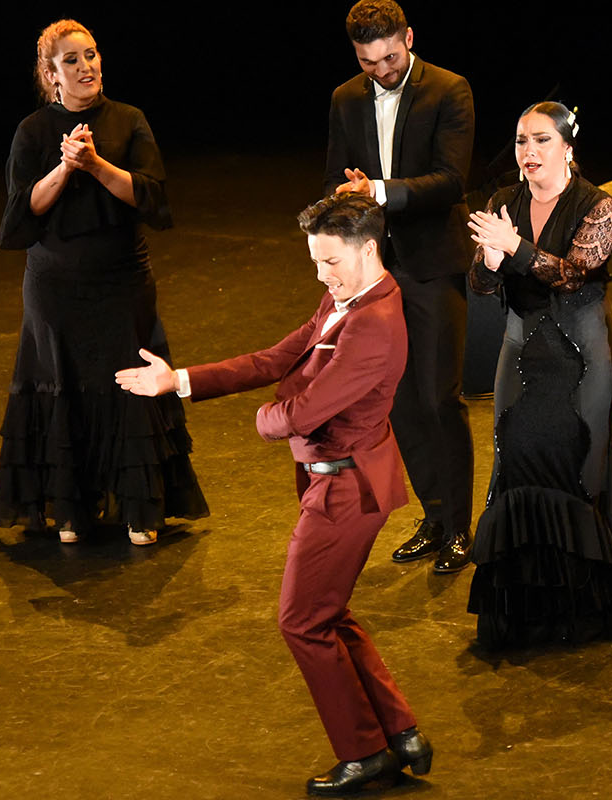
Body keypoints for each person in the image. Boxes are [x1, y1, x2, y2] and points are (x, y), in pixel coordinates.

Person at [117, 193, 433, 796]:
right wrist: (177, 380)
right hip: (336, 480)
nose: (322, 274)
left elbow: (303, 411)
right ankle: (399, 733)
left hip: (347, 489)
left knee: (300, 621)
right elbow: (278, 356)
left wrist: (265, 420)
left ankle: (365, 752)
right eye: (315, 261)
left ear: (369, 250)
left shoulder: (375, 325)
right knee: (326, 614)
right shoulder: (345, 298)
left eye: (332, 261)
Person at [0, 19, 208, 545]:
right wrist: (64, 168)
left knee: (129, 381)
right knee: (63, 387)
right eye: (72, 61)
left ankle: (138, 508)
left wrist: (96, 163)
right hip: (54, 287)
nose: (86, 67)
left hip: (120, 281)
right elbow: (20, 219)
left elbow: (152, 200)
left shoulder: (129, 120)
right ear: (51, 73)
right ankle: (69, 508)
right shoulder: (33, 131)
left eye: (91, 55)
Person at [464, 102, 612, 646]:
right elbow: (480, 284)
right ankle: (526, 616)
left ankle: (589, 615)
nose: (529, 152)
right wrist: (490, 262)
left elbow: (571, 275)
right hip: (521, 353)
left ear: (568, 147)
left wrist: (515, 250)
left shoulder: (598, 206)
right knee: (515, 462)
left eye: (542, 141)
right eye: (522, 141)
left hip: (580, 358)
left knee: (579, 469)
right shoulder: (504, 202)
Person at [325, 0, 477, 573]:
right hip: (376, 269)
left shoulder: (450, 89)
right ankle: (434, 517)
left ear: (409, 37)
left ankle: (461, 528)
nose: (384, 71)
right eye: (370, 63)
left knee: (439, 396)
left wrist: (379, 191)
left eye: (391, 57)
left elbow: (451, 179)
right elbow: (335, 175)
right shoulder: (345, 97)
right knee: (399, 401)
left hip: (433, 264)